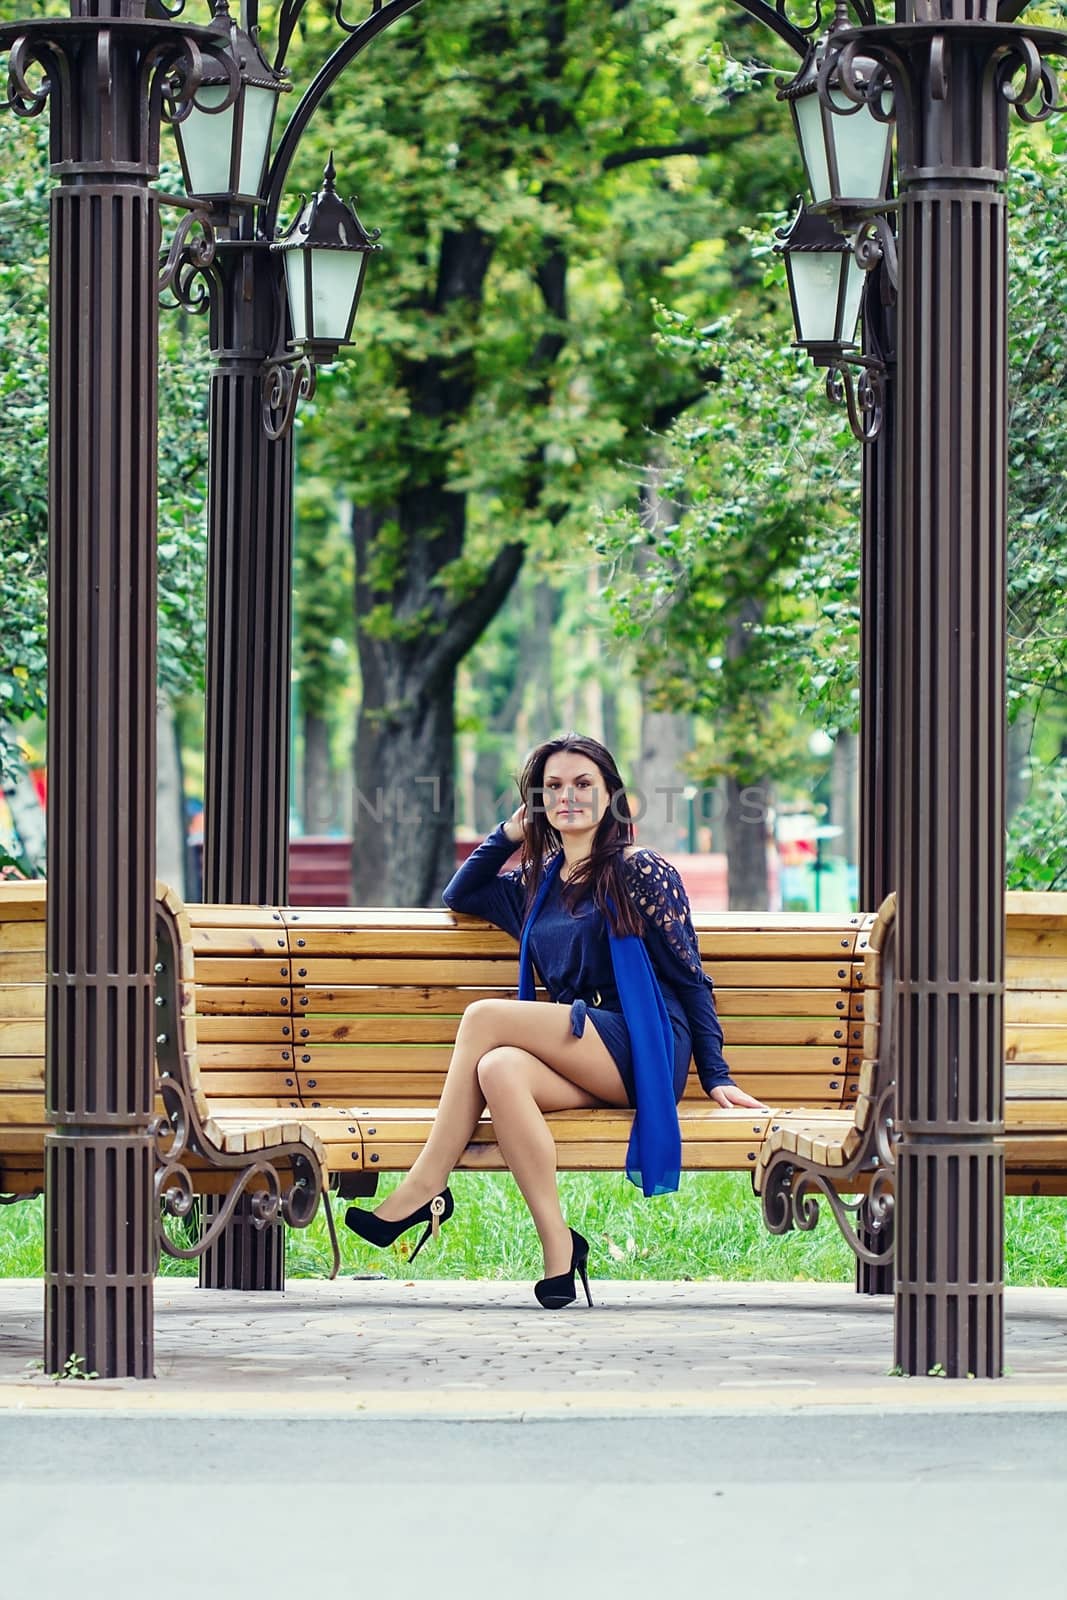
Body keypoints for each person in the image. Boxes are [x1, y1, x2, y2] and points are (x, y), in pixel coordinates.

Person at [344, 733, 767, 1308]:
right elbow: (460, 893)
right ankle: (559, 1252)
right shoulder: (533, 888)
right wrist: (511, 833)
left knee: (483, 1017)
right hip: (581, 1046)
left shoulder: (642, 873)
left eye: (583, 783)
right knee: (498, 1069)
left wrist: (716, 1074)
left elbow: (691, 977)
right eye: (553, 787)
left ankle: (425, 1185)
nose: (568, 796)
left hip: (644, 1044)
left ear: (612, 795)